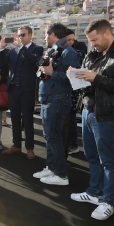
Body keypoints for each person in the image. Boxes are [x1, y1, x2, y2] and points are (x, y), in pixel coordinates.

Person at [69, 19, 114, 220]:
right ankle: (94, 192)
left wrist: (95, 78)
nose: (93, 44)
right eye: (90, 41)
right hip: (88, 110)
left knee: (109, 161)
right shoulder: (95, 55)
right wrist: (76, 76)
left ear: (107, 33)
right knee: (91, 156)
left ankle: (108, 201)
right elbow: (91, 84)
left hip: (109, 115)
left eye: (95, 39)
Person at [34, 24, 80, 185]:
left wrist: (51, 72)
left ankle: (61, 175)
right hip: (49, 98)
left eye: (46, 35)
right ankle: (51, 167)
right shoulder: (55, 51)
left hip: (58, 99)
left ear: (53, 35)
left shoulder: (69, 52)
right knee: (50, 137)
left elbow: (72, 77)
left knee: (54, 137)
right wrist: (45, 70)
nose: (45, 38)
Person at [2, 26, 44, 159]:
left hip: (27, 89)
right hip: (13, 88)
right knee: (14, 118)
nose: (20, 37)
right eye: (19, 35)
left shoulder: (37, 49)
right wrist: (2, 48)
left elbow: (34, 61)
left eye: (23, 35)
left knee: (27, 119)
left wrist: (21, 48)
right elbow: (3, 63)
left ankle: (30, 148)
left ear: (30, 35)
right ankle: (16, 145)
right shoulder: (13, 50)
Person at [63, 28, 86, 155]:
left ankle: (73, 144)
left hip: (74, 88)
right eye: (68, 40)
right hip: (68, 86)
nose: (71, 42)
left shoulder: (80, 48)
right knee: (68, 117)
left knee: (71, 117)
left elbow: (80, 59)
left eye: (73, 39)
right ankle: (70, 144)